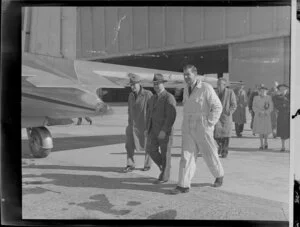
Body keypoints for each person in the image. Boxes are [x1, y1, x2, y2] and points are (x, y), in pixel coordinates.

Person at [170, 65, 224, 195]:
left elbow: (217, 106)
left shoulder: (206, 88)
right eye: (184, 74)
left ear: (195, 74)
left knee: (209, 154)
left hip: (202, 126)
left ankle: (219, 174)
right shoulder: (186, 89)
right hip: (188, 127)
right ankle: (183, 185)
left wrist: (209, 123)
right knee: (186, 156)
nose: (186, 77)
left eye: (188, 74)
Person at [145, 73, 177, 184]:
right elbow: (149, 114)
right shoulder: (152, 98)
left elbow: (171, 117)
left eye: (159, 83)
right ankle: (164, 167)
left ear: (163, 84)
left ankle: (164, 176)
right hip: (153, 130)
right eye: (155, 84)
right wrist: (147, 128)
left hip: (164, 131)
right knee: (150, 149)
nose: (157, 86)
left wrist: (164, 130)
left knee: (165, 153)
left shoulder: (169, 97)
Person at [123, 73, 153, 173]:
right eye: (131, 85)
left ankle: (147, 164)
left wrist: (151, 125)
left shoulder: (148, 94)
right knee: (129, 145)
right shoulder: (131, 96)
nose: (132, 87)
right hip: (132, 125)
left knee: (148, 145)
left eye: (134, 84)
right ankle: (130, 164)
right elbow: (129, 110)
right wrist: (129, 123)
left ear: (139, 83)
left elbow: (153, 110)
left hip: (144, 124)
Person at [214, 78, 237, 158]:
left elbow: (234, 104)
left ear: (224, 85)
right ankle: (220, 146)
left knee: (226, 136)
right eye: (217, 84)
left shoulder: (230, 92)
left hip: (226, 117)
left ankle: (224, 152)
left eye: (220, 84)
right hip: (217, 117)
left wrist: (229, 112)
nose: (218, 86)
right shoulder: (214, 92)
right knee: (216, 135)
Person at [252, 84, 273, 150]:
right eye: (261, 91)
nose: (262, 92)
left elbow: (271, 107)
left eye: (264, 91)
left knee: (266, 131)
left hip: (266, 116)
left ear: (266, 92)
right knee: (260, 131)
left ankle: (266, 142)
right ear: (259, 92)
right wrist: (259, 112)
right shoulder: (255, 97)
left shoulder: (269, 97)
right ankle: (261, 144)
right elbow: (253, 106)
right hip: (259, 116)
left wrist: (265, 112)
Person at [273, 84, 290, 152]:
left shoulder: (291, 95)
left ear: (287, 89)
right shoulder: (276, 97)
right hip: (282, 115)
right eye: (281, 89)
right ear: (279, 90)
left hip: (290, 115)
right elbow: (276, 105)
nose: (283, 90)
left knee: (291, 131)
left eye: (284, 89)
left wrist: (285, 104)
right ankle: (283, 146)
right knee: (283, 131)